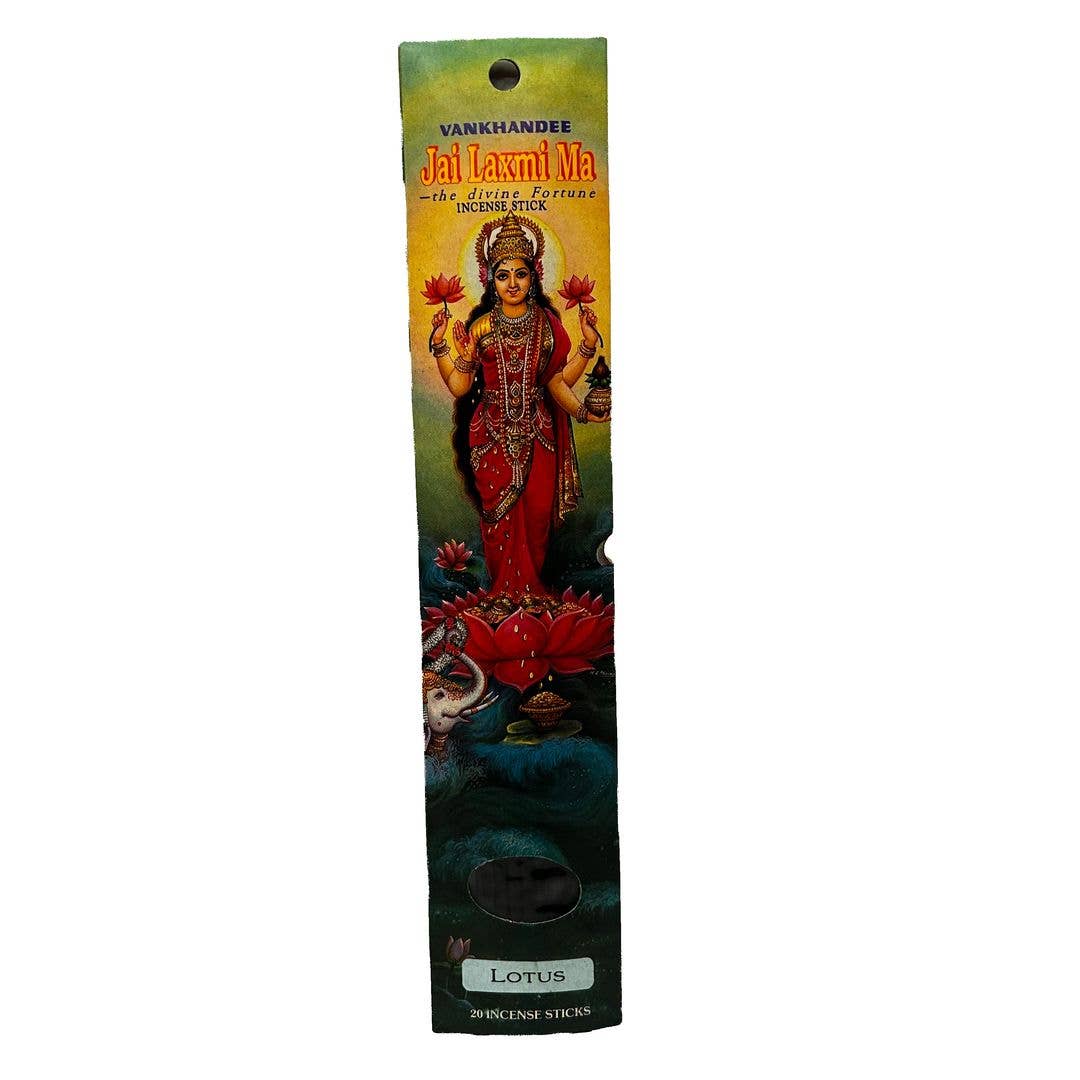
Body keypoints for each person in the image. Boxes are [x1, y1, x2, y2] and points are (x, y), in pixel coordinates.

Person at [429, 212, 608, 622]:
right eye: (503, 275)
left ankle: (531, 596)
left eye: (521, 274)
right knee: (499, 522)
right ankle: (501, 597)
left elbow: (557, 382)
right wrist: (440, 345)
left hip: (539, 434)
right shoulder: (480, 328)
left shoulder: (548, 326)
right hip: (490, 437)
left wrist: (586, 358)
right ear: (489, 279)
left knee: (537, 519)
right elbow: (459, 386)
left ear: (534, 275)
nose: (512, 283)